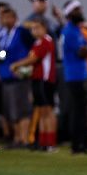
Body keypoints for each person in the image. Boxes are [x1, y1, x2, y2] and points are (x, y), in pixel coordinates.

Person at [11, 18, 57, 151]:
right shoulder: (37, 42)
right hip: (37, 80)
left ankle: (50, 143)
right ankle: (43, 142)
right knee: (42, 112)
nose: (34, 30)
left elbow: (33, 59)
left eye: (37, 27)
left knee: (47, 112)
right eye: (33, 28)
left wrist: (16, 65)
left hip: (45, 80)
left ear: (44, 28)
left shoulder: (46, 41)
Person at [0, 7, 34, 147]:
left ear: (15, 18)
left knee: (22, 109)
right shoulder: (3, 33)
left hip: (19, 76)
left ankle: (24, 139)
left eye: (9, 17)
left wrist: (26, 66)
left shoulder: (22, 32)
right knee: (11, 110)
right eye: (4, 18)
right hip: (6, 76)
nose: (6, 20)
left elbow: (33, 49)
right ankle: (17, 138)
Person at [61, 0, 87, 154]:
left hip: (79, 73)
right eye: (76, 9)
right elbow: (82, 51)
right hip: (75, 75)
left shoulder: (75, 29)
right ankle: (78, 144)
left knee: (82, 110)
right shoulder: (70, 31)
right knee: (79, 111)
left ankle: (84, 143)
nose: (80, 12)